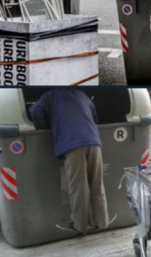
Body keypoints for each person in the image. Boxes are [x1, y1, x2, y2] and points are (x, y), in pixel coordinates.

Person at [29, 89, 109, 236]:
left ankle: (80, 226)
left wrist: (45, 127)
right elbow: (94, 114)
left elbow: (35, 111)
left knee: (78, 188)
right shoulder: (81, 94)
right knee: (97, 184)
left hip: (72, 144)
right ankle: (102, 222)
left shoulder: (49, 96)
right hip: (93, 141)